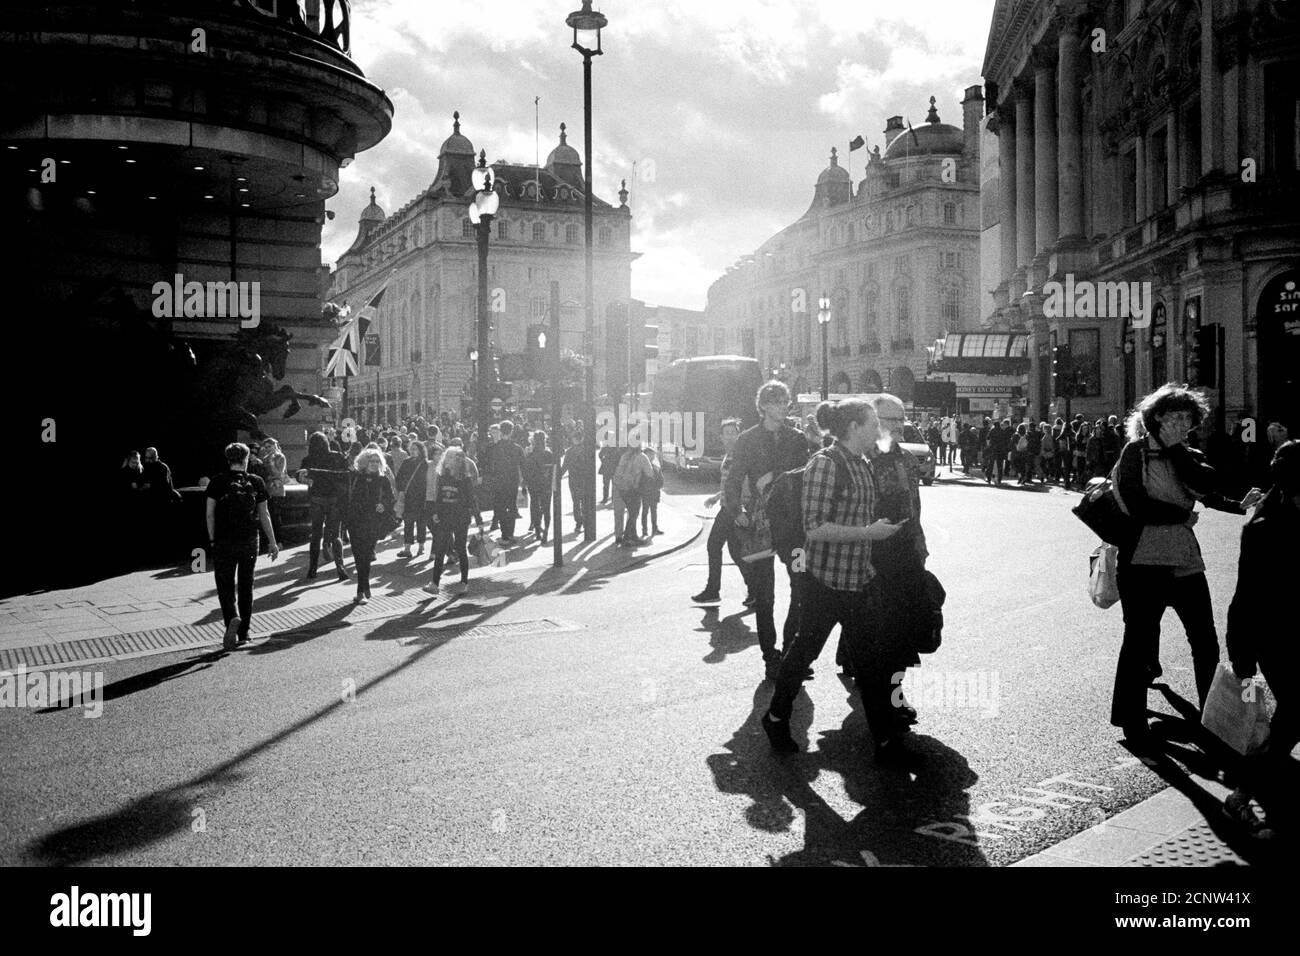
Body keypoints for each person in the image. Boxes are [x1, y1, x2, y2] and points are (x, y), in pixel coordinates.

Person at [1109, 384, 1263, 743]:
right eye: (1176, 417)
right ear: (1157, 418)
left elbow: (1206, 493)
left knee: (1205, 640)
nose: (1183, 424)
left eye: (1188, 419)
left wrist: (1239, 505)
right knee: (1139, 641)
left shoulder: (1187, 455)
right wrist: (1181, 514)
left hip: (1184, 560)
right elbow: (1137, 504)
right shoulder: (1135, 453)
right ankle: (1132, 721)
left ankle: (1214, 717)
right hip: (1143, 560)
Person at [761, 399, 909, 764]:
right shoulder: (825, 464)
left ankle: (885, 742)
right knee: (803, 653)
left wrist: (885, 529)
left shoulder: (862, 463)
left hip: (858, 579)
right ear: (855, 427)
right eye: (873, 422)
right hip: (825, 582)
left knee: (871, 664)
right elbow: (815, 527)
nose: (879, 429)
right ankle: (776, 716)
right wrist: (867, 533)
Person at [1223, 440, 1300, 836]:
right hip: (1275, 636)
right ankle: (1242, 794)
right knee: (1289, 714)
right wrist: (1242, 660)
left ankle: (1253, 791)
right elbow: (1247, 593)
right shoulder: (1264, 529)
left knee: (1289, 718)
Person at [725, 380, 811, 679]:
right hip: (760, 525)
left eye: (783, 402)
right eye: (773, 402)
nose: (780, 407)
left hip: (795, 527)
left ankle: (792, 650)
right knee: (765, 595)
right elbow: (734, 479)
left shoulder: (798, 438)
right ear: (762, 406)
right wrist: (736, 511)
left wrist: (776, 475)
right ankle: (770, 656)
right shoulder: (747, 439)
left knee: (802, 587)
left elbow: (806, 474)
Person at [205, 442, 278, 649]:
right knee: (246, 585)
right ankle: (245, 633)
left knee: (225, 584)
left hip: (224, 540)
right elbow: (264, 514)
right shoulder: (256, 481)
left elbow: (209, 514)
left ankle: (232, 619)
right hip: (249, 540)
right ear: (246, 459)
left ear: (228, 459)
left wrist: (211, 539)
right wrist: (272, 542)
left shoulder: (217, 482)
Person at [693, 418, 752, 605]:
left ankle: (713, 590)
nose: (730, 436)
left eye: (733, 432)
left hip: (732, 509)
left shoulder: (740, 456)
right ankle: (755, 590)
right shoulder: (729, 456)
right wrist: (716, 496)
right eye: (726, 433)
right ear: (721, 437)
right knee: (736, 552)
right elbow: (730, 484)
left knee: (713, 545)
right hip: (728, 506)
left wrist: (741, 507)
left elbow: (744, 484)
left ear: (739, 435)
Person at [423, 446, 484, 595]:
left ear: (457, 461)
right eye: (447, 457)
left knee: (461, 548)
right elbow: (438, 496)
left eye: (450, 457)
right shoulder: (442, 476)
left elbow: (472, 500)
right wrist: (436, 511)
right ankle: (434, 583)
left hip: (460, 517)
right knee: (440, 549)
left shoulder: (465, 479)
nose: (447, 460)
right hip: (444, 516)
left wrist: (479, 519)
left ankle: (464, 582)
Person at [297, 431, 351, 583]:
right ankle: (340, 566)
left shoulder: (308, 459)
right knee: (336, 535)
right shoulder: (336, 456)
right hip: (334, 499)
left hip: (317, 499)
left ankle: (312, 568)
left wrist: (309, 478)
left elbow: (299, 475)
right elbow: (343, 475)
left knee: (315, 534)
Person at [344, 447, 395, 604]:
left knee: (366, 555)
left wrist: (384, 505)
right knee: (358, 555)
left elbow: (391, 498)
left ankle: (361, 588)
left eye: (376, 461)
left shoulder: (383, 479)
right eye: (371, 461)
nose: (374, 463)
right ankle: (363, 586)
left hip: (373, 522)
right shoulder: (356, 477)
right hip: (355, 521)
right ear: (364, 463)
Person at [482, 422, 525, 544]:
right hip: (512, 481)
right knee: (511, 506)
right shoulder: (517, 448)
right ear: (511, 431)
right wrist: (524, 482)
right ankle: (510, 533)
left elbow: (488, 466)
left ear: (500, 431)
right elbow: (523, 465)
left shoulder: (493, 448)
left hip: (498, 481)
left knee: (500, 507)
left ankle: (504, 534)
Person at [611, 439, 652, 547]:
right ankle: (628, 538)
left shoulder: (624, 456)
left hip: (617, 486)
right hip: (631, 488)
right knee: (633, 513)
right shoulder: (642, 457)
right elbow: (650, 473)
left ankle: (619, 536)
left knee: (619, 513)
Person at [394, 440, 430, 558]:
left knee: (421, 523)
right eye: (412, 449)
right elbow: (399, 478)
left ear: (420, 451)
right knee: (408, 523)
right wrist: (401, 490)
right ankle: (407, 548)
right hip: (409, 498)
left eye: (416, 449)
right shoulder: (406, 462)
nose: (413, 451)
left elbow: (427, 482)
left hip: (421, 498)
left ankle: (421, 547)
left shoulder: (425, 464)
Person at [523, 430, 556, 544]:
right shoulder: (549, 454)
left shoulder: (530, 455)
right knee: (546, 508)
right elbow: (554, 471)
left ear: (533, 441)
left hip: (533, 485)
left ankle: (537, 530)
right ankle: (546, 532)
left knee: (535, 506)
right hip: (546, 485)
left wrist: (525, 483)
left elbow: (526, 472)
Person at [261, 438, 288, 548]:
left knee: (276, 515)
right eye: (266, 447)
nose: (267, 449)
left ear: (275, 446)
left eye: (269, 446)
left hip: (277, 490)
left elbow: (280, 474)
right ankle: (271, 541)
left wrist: (272, 464)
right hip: (268, 489)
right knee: (269, 515)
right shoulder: (265, 458)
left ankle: (279, 541)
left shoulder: (280, 457)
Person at [640, 446, 664, 538]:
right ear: (646, 454)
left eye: (653, 454)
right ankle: (645, 531)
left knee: (653, 511)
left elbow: (661, 480)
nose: (653, 456)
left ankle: (655, 528)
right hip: (646, 492)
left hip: (654, 492)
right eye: (651, 454)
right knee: (645, 511)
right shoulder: (643, 466)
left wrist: (657, 487)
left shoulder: (656, 466)